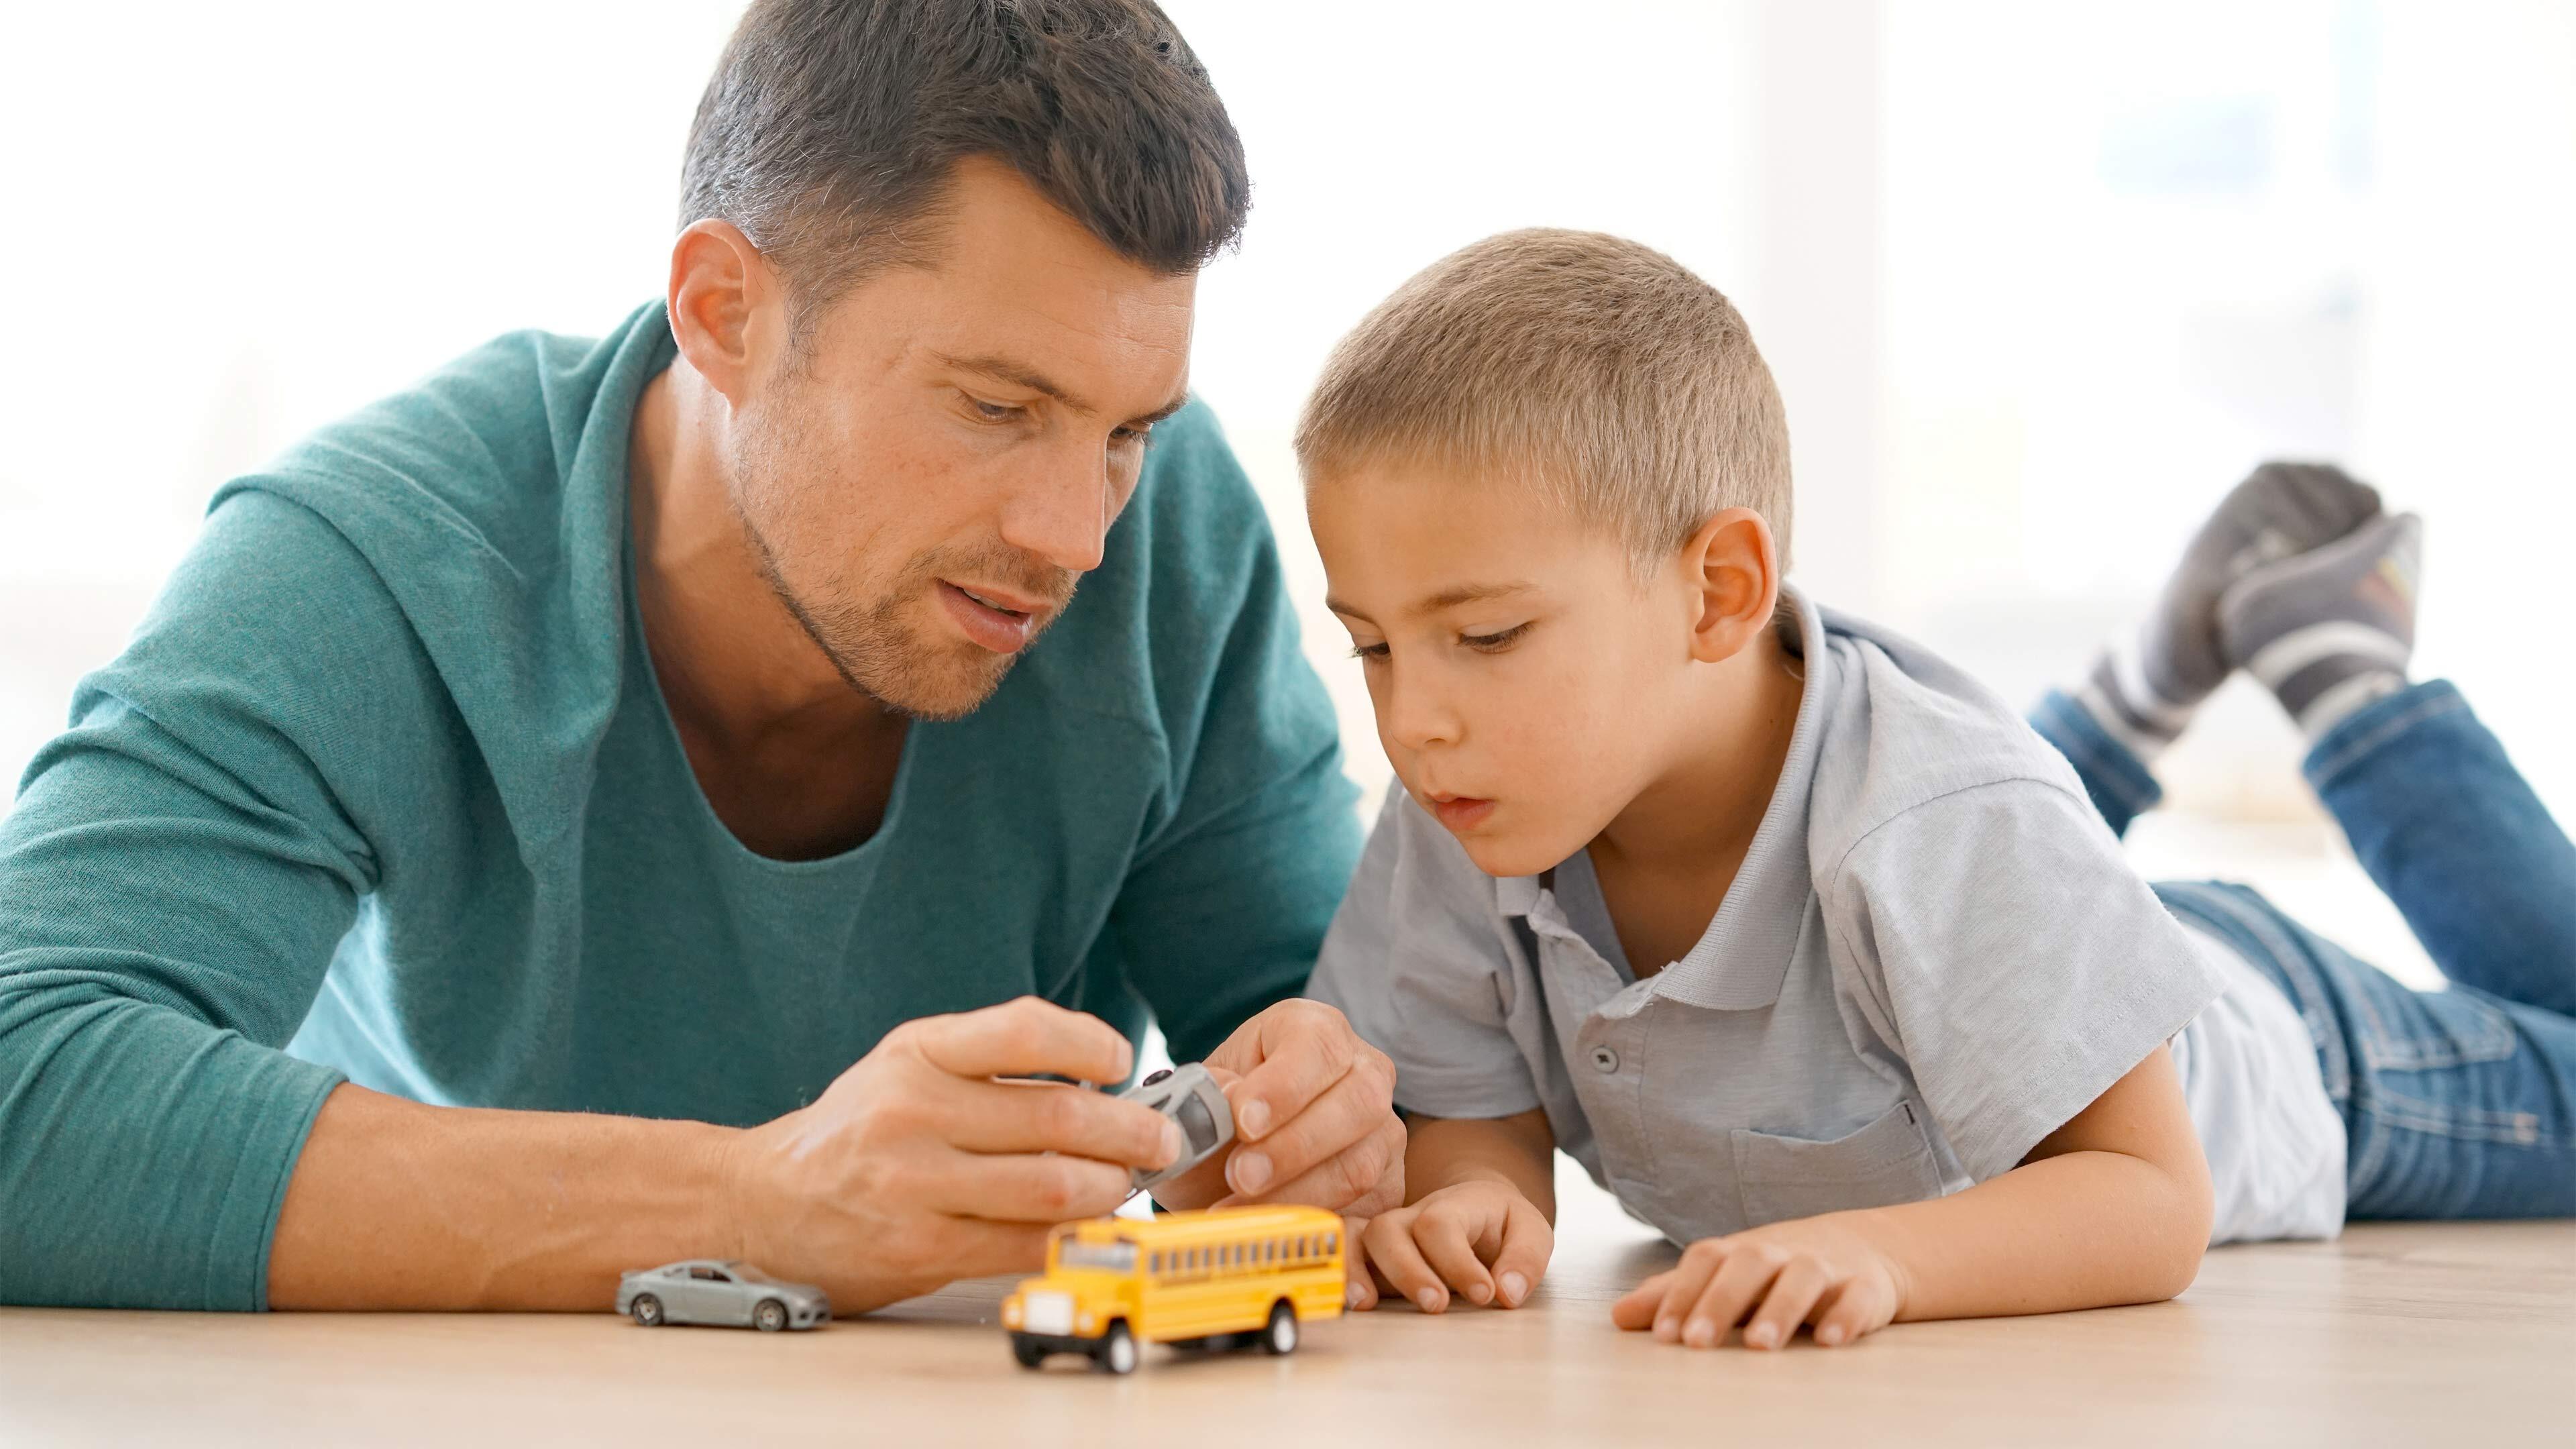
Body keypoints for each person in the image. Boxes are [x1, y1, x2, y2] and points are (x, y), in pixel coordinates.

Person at [0, 0, 1403, 1314]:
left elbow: (1349, 1041)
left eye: (1125, 431)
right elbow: (27, 1077)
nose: (1075, 536)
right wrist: (753, 1199)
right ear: (725, 312)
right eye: (993, 405)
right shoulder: (374, 554)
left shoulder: (1172, 533)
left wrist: (1316, 1127)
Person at [1297, 229, 2576, 1350]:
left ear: (1718, 592)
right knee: (1982, 861)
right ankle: (2131, 699)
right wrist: (1477, 1201)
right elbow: (1474, 1112)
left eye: (1489, 637)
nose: (1415, 721)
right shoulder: (1472, 807)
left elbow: (2147, 1197)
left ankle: (2346, 677)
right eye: (1372, 646)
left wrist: (1887, 1255)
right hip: (2020, 927)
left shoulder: (1934, 820)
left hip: (2290, 1051)